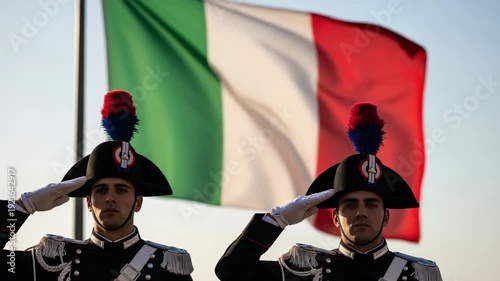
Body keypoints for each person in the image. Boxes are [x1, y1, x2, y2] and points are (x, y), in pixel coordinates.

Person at [215, 102, 443, 281]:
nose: (361, 212)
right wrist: (277, 220)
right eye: (351, 204)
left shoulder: (417, 275)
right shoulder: (305, 270)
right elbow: (230, 272)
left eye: (371, 204)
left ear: (386, 216)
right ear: (335, 217)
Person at [0, 90, 194, 280]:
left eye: (121, 189)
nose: (110, 198)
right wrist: (22, 206)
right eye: (101, 190)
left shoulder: (167, 269)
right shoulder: (53, 261)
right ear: (89, 202)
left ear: (138, 202)